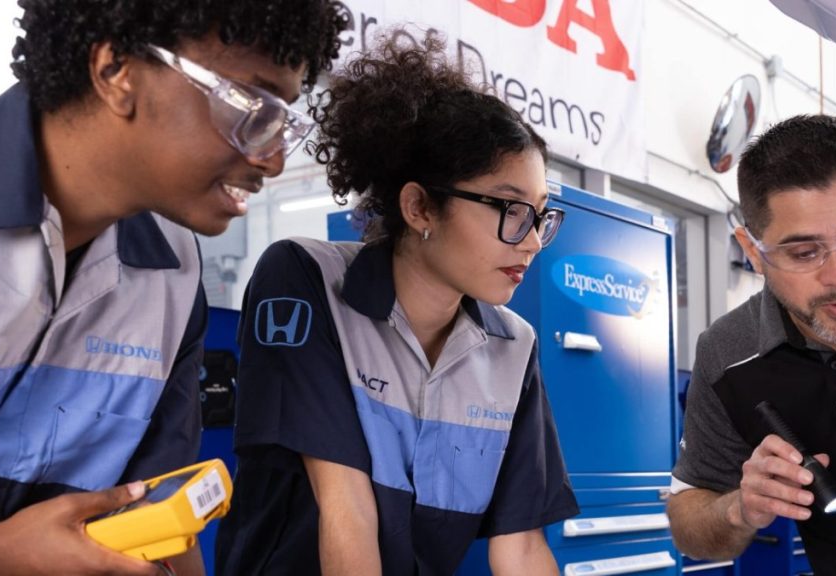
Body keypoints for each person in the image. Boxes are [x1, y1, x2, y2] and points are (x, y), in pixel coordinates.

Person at [0, 1, 345, 574]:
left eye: (284, 121)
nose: (270, 160)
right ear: (115, 70)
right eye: (253, 105)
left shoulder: (173, 273)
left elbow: (159, 516)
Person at [214, 35, 580, 576]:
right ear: (419, 207)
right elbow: (347, 509)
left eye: (541, 215)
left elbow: (521, 546)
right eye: (509, 208)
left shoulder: (513, 346)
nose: (530, 240)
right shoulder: (305, 279)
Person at [667, 114, 836, 574]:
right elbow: (690, 524)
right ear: (753, 252)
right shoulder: (728, 352)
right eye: (805, 252)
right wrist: (741, 508)